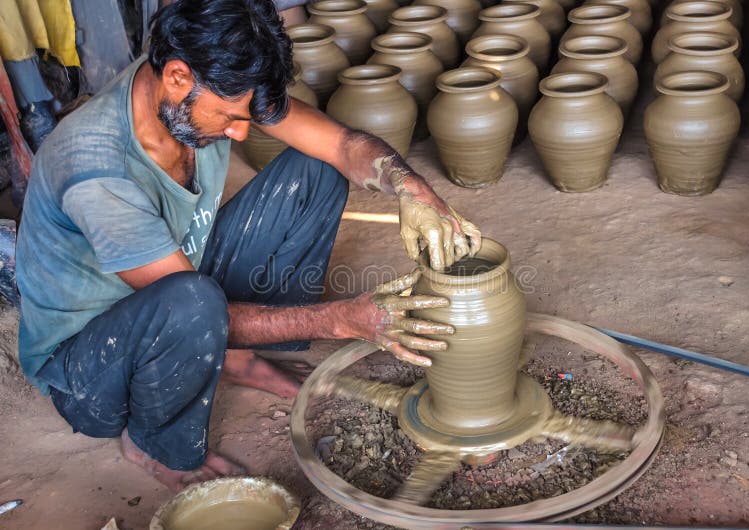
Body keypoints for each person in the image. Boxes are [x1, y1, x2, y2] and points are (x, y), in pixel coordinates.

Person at [16, 0, 481, 492]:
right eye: (230, 118)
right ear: (176, 77)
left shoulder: (199, 81)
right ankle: (156, 444)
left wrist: (411, 188)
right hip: (90, 368)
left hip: (176, 286)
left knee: (316, 168)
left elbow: (342, 146)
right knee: (192, 303)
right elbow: (187, 303)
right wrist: (340, 319)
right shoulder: (97, 170)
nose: (239, 132)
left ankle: (232, 357)